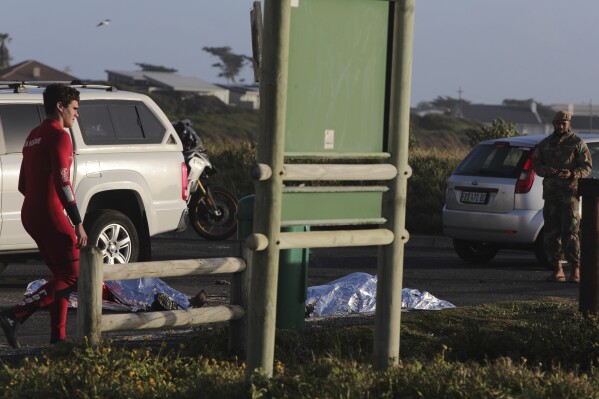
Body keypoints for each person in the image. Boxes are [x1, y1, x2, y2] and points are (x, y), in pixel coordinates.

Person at [0, 84, 88, 347]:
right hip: (49, 213)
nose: (77, 114)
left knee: (63, 276)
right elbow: (63, 183)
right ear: (60, 107)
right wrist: (78, 222)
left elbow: (22, 185)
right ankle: (13, 315)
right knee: (74, 275)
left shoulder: (33, 134)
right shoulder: (60, 136)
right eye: (74, 109)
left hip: (31, 213)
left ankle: (57, 339)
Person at [532, 110, 592, 283]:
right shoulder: (545, 144)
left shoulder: (577, 143)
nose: (561, 126)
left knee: (571, 232)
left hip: (570, 195)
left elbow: (586, 167)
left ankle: (575, 270)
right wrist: (546, 170)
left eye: (564, 123)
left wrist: (573, 173)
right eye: (558, 123)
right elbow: (536, 163)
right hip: (551, 195)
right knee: (551, 233)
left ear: (569, 123)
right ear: (554, 124)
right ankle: (557, 269)